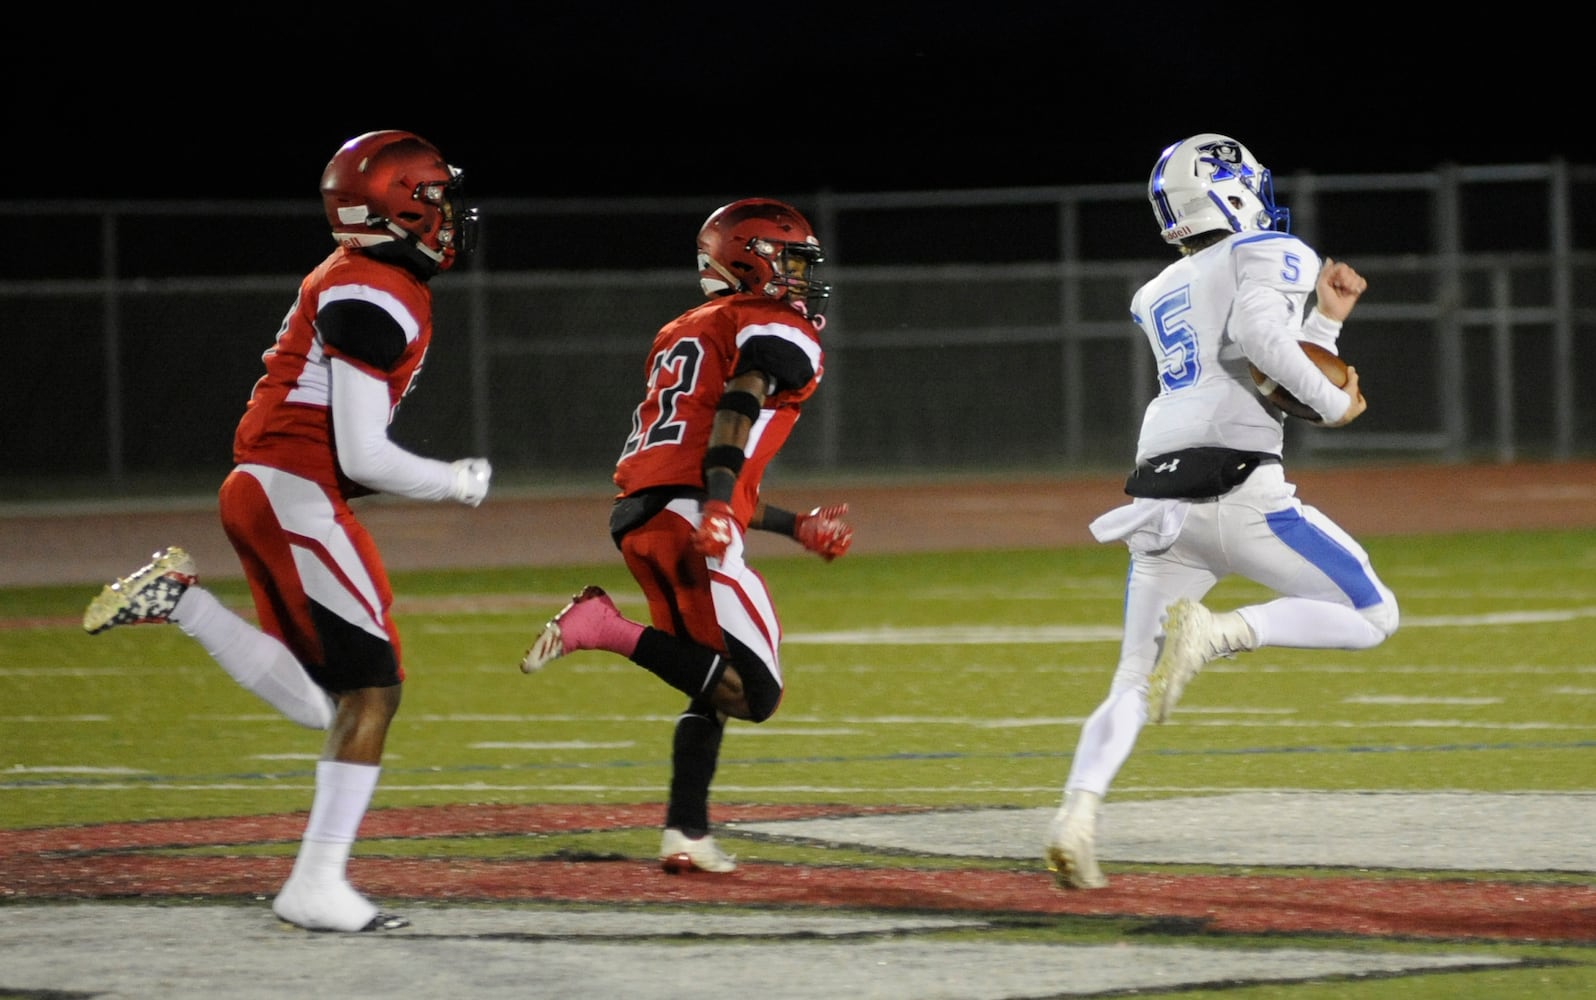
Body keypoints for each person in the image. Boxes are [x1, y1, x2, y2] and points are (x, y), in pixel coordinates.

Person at [82, 130, 492, 931]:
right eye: (434, 196)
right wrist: (456, 482)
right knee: (372, 691)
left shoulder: (363, 279)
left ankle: (182, 602)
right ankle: (315, 885)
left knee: (327, 701)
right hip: (291, 492)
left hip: (269, 487)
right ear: (395, 206)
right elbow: (364, 453)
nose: (449, 212)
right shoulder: (373, 290)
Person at [1043, 134, 1400, 890]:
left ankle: (1076, 815)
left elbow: (1249, 368)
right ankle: (1224, 633)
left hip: (1159, 495)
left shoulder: (1156, 290)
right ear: (1229, 189)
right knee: (1374, 615)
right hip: (1242, 491)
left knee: (1131, 679)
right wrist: (1337, 404)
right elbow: (1262, 344)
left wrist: (1328, 324)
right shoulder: (1269, 249)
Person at [518, 197, 854, 874]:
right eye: (789, 260)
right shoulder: (771, 325)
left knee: (710, 684)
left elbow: (695, 452)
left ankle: (686, 832)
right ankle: (603, 626)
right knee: (755, 691)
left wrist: (792, 525)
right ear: (748, 260)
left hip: (644, 514)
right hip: (689, 512)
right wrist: (721, 505)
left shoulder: (686, 329)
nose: (800, 276)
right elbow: (740, 404)